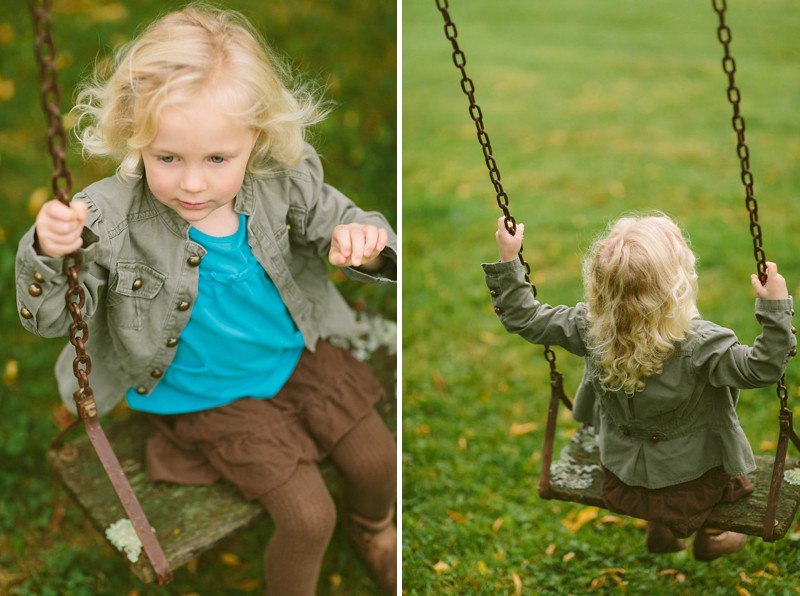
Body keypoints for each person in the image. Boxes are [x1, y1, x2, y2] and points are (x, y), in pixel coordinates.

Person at [15, 5, 396, 594]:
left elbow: (342, 219)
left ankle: (374, 529)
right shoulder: (104, 219)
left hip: (292, 355)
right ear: (134, 136)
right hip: (201, 391)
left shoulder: (280, 179)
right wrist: (47, 250)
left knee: (377, 460)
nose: (193, 183)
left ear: (257, 140)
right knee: (307, 517)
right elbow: (48, 320)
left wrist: (366, 243)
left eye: (218, 159)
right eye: (167, 158)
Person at [484, 213, 795, 560]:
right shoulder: (701, 345)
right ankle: (712, 534)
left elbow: (524, 316)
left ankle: (661, 530)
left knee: (658, 484)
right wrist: (775, 307)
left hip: (622, 481)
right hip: (691, 485)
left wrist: (510, 260)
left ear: (600, 285)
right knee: (726, 483)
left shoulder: (589, 328)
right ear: (678, 285)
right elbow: (763, 367)